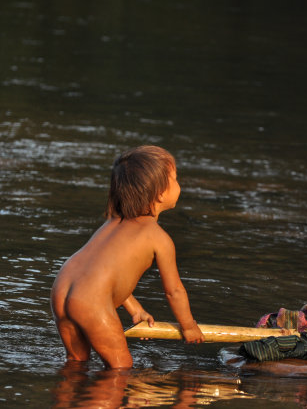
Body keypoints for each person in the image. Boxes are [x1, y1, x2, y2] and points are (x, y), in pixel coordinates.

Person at [51, 145, 204, 369]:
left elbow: (104, 275)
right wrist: (189, 326)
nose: (179, 184)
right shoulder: (158, 238)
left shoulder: (111, 222)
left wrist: (136, 309)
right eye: (175, 178)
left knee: (76, 364)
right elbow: (174, 291)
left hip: (61, 288)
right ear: (161, 193)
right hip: (90, 302)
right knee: (120, 370)